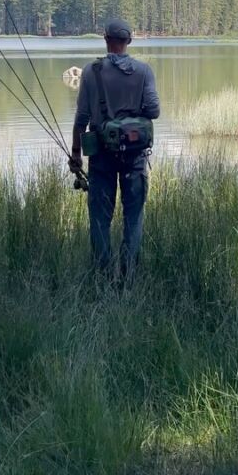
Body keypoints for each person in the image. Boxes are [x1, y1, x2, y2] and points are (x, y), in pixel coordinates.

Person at [70, 19, 160, 280]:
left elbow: (81, 118)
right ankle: (128, 274)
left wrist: (76, 153)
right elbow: (154, 111)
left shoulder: (90, 72)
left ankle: (103, 276)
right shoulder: (144, 71)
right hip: (134, 157)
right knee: (133, 217)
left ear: (106, 40)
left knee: (100, 217)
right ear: (128, 42)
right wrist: (131, 118)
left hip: (101, 158)